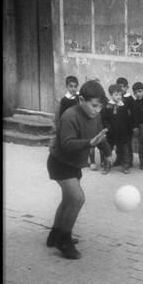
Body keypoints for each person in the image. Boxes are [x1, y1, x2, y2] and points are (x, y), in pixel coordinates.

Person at [46, 80, 112, 260]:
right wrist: (89, 143)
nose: (97, 110)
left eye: (100, 107)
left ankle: (54, 235)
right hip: (60, 163)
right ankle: (64, 241)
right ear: (81, 99)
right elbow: (67, 144)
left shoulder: (96, 116)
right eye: (94, 106)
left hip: (74, 165)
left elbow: (99, 135)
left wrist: (106, 152)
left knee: (68, 200)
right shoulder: (69, 115)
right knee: (77, 198)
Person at [101, 84, 132, 174]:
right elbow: (104, 119)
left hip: (122, 132)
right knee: (108, 149)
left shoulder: (123, 106)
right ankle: (107, 166)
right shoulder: (107, 107)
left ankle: (125, 165)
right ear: (111, 95)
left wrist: (128, 130)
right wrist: (107, 128)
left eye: (120, 94)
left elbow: (127, 119)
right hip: (111, 132)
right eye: (116, 95)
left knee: (123, 150)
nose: (119, 97)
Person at [116, 77, 134, 168]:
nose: (121, 89)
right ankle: (119, 159)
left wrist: (133, 126)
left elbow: (133, 114)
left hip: (127, 127)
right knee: (118, 144)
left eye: (123, 87)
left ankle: (128, 161)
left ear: (127, 87)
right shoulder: (117, 98)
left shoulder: (130, 99)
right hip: (118, 126)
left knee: (127, 145)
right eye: (119, 87)